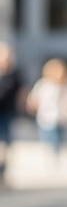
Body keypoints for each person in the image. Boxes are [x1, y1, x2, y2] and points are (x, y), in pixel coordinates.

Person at [27, 59, 67, 159]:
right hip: (47, 118)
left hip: (63, 118)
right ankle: (52, 157)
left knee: (61, 140)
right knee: (50, 140)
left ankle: (58, 157)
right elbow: (34, 99)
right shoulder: (44, 85)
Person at [0, 42, 25, 186]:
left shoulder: (15, 74)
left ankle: (3, 173)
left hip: (8, 112)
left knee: (6, 144)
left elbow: (21, 92)